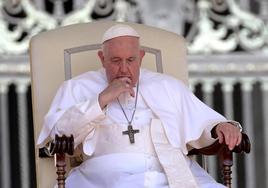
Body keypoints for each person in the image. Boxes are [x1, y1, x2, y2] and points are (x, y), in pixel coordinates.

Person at [37, 24, 242, 188]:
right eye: (116, 60)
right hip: (106, 176)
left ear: (141, 57)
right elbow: (59, 133)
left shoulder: (166, 85)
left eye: (131, 60)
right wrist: (102, 99)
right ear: (102, 58)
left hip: (169, 172)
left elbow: (202, 120)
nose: (124, 69)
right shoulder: (78, 87)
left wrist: (220, 126)